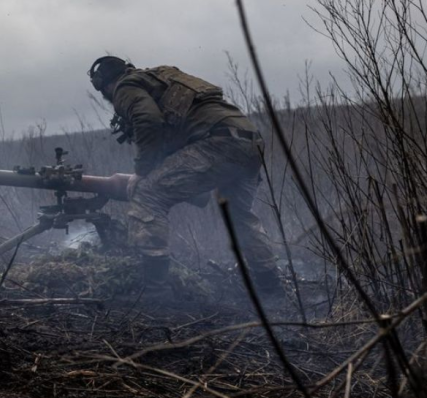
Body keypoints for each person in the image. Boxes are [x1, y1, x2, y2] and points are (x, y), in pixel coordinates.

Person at [88, 56, 286, 300]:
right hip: (249, 142)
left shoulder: (125, 87)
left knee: (148, 193)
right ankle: (272, 291)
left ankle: (156, 292)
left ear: (104, 84)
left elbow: (148, 120)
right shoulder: (162, 75)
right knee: (241, 217)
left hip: (218, 143)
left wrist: (142, 171)